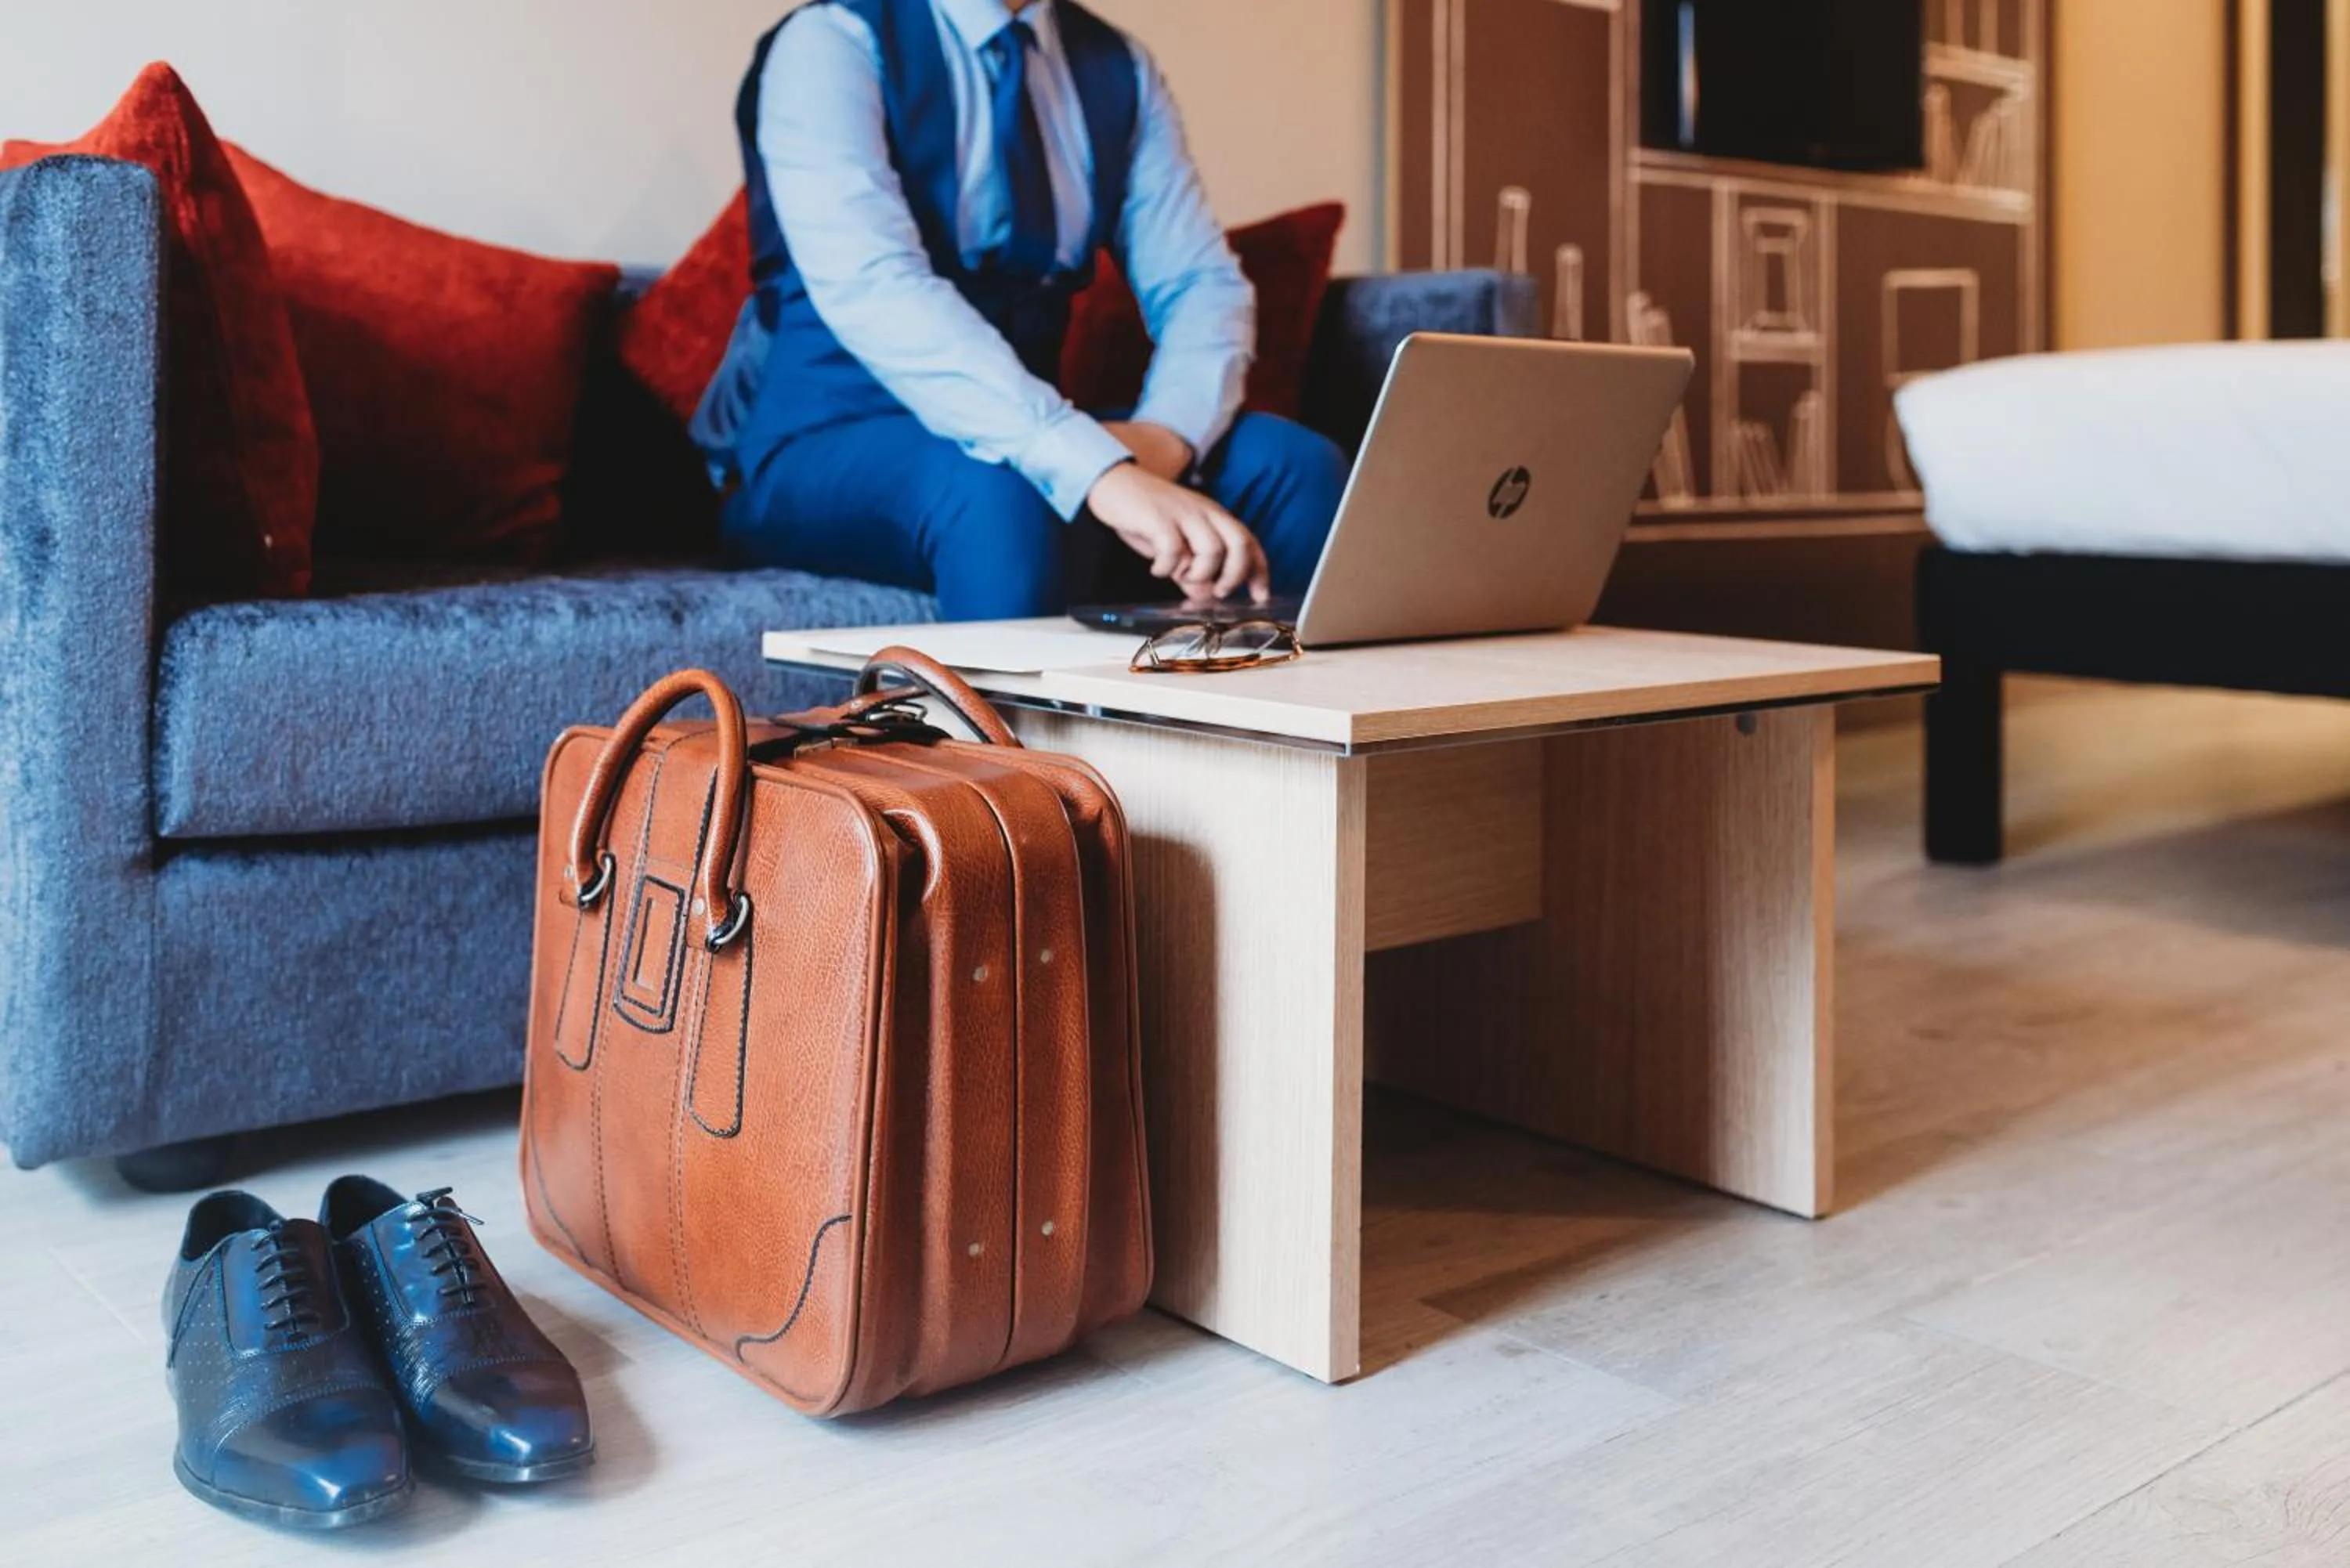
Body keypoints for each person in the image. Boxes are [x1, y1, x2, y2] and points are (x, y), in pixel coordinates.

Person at [692, 0, 1349, 620]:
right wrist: (1089, 466)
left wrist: (1167, 436)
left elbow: (1200, 283)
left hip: (1031, 430)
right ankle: (1004, 746)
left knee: (1291, 467)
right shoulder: (830, 42)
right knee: (1001, 495)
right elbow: (875, 286)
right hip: (825, 439)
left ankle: (1261, 734)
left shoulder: (1120, 67)